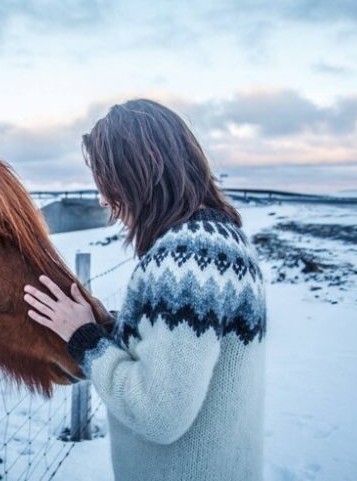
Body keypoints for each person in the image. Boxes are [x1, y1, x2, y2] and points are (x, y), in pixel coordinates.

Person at [24, 99, 266, 481]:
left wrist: (83, 338)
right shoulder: (223, 241)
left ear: (140, 172)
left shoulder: (185, 260)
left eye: (107, 180)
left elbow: (158, 414)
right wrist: (111, 327)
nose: (102, 199)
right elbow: (188, 348)